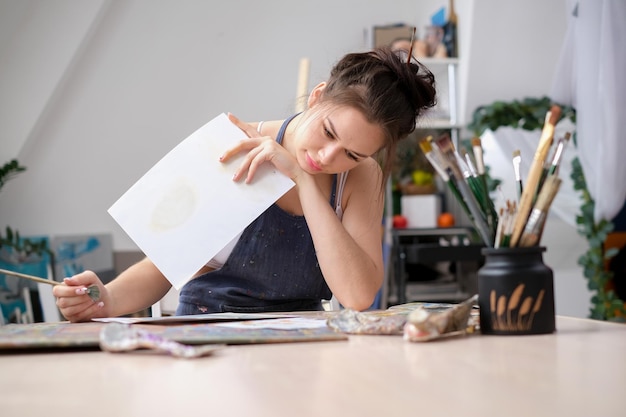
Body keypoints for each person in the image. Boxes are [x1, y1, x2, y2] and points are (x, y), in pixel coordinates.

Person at [53, 47, 437, 322]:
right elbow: (164, 266)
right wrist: (104, 298)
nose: (327, 157)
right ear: (317, 97)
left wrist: (303, 180)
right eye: (328, 132)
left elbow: (357, 295)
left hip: (302, 347)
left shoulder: (360, 175)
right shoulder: (235, 143)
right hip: (209, 337)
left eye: (351, 154)